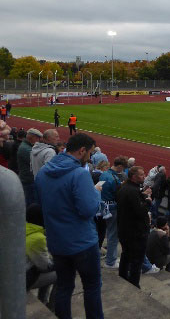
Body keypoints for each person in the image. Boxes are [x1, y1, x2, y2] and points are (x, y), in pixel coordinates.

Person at [34, 133, 104, 319]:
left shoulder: (43, 172)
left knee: (64, 286)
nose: (90, 157)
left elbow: (41, 203)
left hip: (56, 241)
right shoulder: (80, 174)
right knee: (92, 286)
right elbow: (88, 210)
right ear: (82, 150)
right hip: (82, 242)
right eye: (89, 153)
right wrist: (95, 193)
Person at [116, 165, 152, 288]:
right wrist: (148, 200)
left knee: (126, 255)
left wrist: (142, 195)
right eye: (141, 175)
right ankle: (134, 285)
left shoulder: (125, 188)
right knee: (137, 260)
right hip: (136, 233)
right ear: (134, 177)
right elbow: (140, 211)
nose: (144, 176)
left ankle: (123, 276)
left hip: (125, 230)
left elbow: (131, 205)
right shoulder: (133, 191)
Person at [25, 204, 56, 310]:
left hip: (16, 274)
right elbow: (45, 266)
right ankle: (53, 307)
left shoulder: (22, 230)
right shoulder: (38, 238)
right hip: (23, 279)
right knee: (62, 274)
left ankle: (43, 300)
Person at [100, 155, 127, 269]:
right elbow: (118, 195)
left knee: (109, 232)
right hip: (112, 207)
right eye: (123, 168)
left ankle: (111, 257)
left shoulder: (104, 174)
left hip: (103, 205)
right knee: (113, 234)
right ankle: (110, 261)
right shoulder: (113, 178)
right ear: (120, 166)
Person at [18, 128, 42, 206]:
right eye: (38, 138)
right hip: (28, 181)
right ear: (33, 137)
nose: (39, 140)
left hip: (29, 180)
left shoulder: (27, 146)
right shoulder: (25, 149)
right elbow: (38, 162)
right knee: (31, 203)